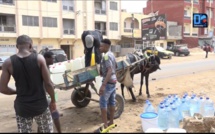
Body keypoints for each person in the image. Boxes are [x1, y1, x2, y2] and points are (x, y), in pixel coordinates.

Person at [0, 35, 56, 133]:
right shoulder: (39, 59)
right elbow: (49, 84)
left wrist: (18, 92)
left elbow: (2, 88)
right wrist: (53, 101)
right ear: (30, 46)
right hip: (41, 106)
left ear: (17, 46)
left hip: (22, 108)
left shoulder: (8, 63)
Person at [39, 51, 62, 133]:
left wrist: (53, 84)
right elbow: (47, 83)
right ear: (46, 58)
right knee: (55, 114)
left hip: (43, 95)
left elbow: (48, 81)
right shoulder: (43, 67)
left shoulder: (46, 66)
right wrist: (53, 100)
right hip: (43, 96)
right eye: (52, 58)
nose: (53, 60)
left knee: (42, 118)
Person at [98, 39, 117, 131]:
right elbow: (115, 67)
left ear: (106, 47)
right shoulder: (112, 54)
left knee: (103, 103)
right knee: (112, 102)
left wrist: (103, 85)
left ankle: (105, 125)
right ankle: (111, 121)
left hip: (108, 83)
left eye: (101, 46)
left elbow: (109, 70)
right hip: (113, 81)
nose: (99, 48)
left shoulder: (106, 56)